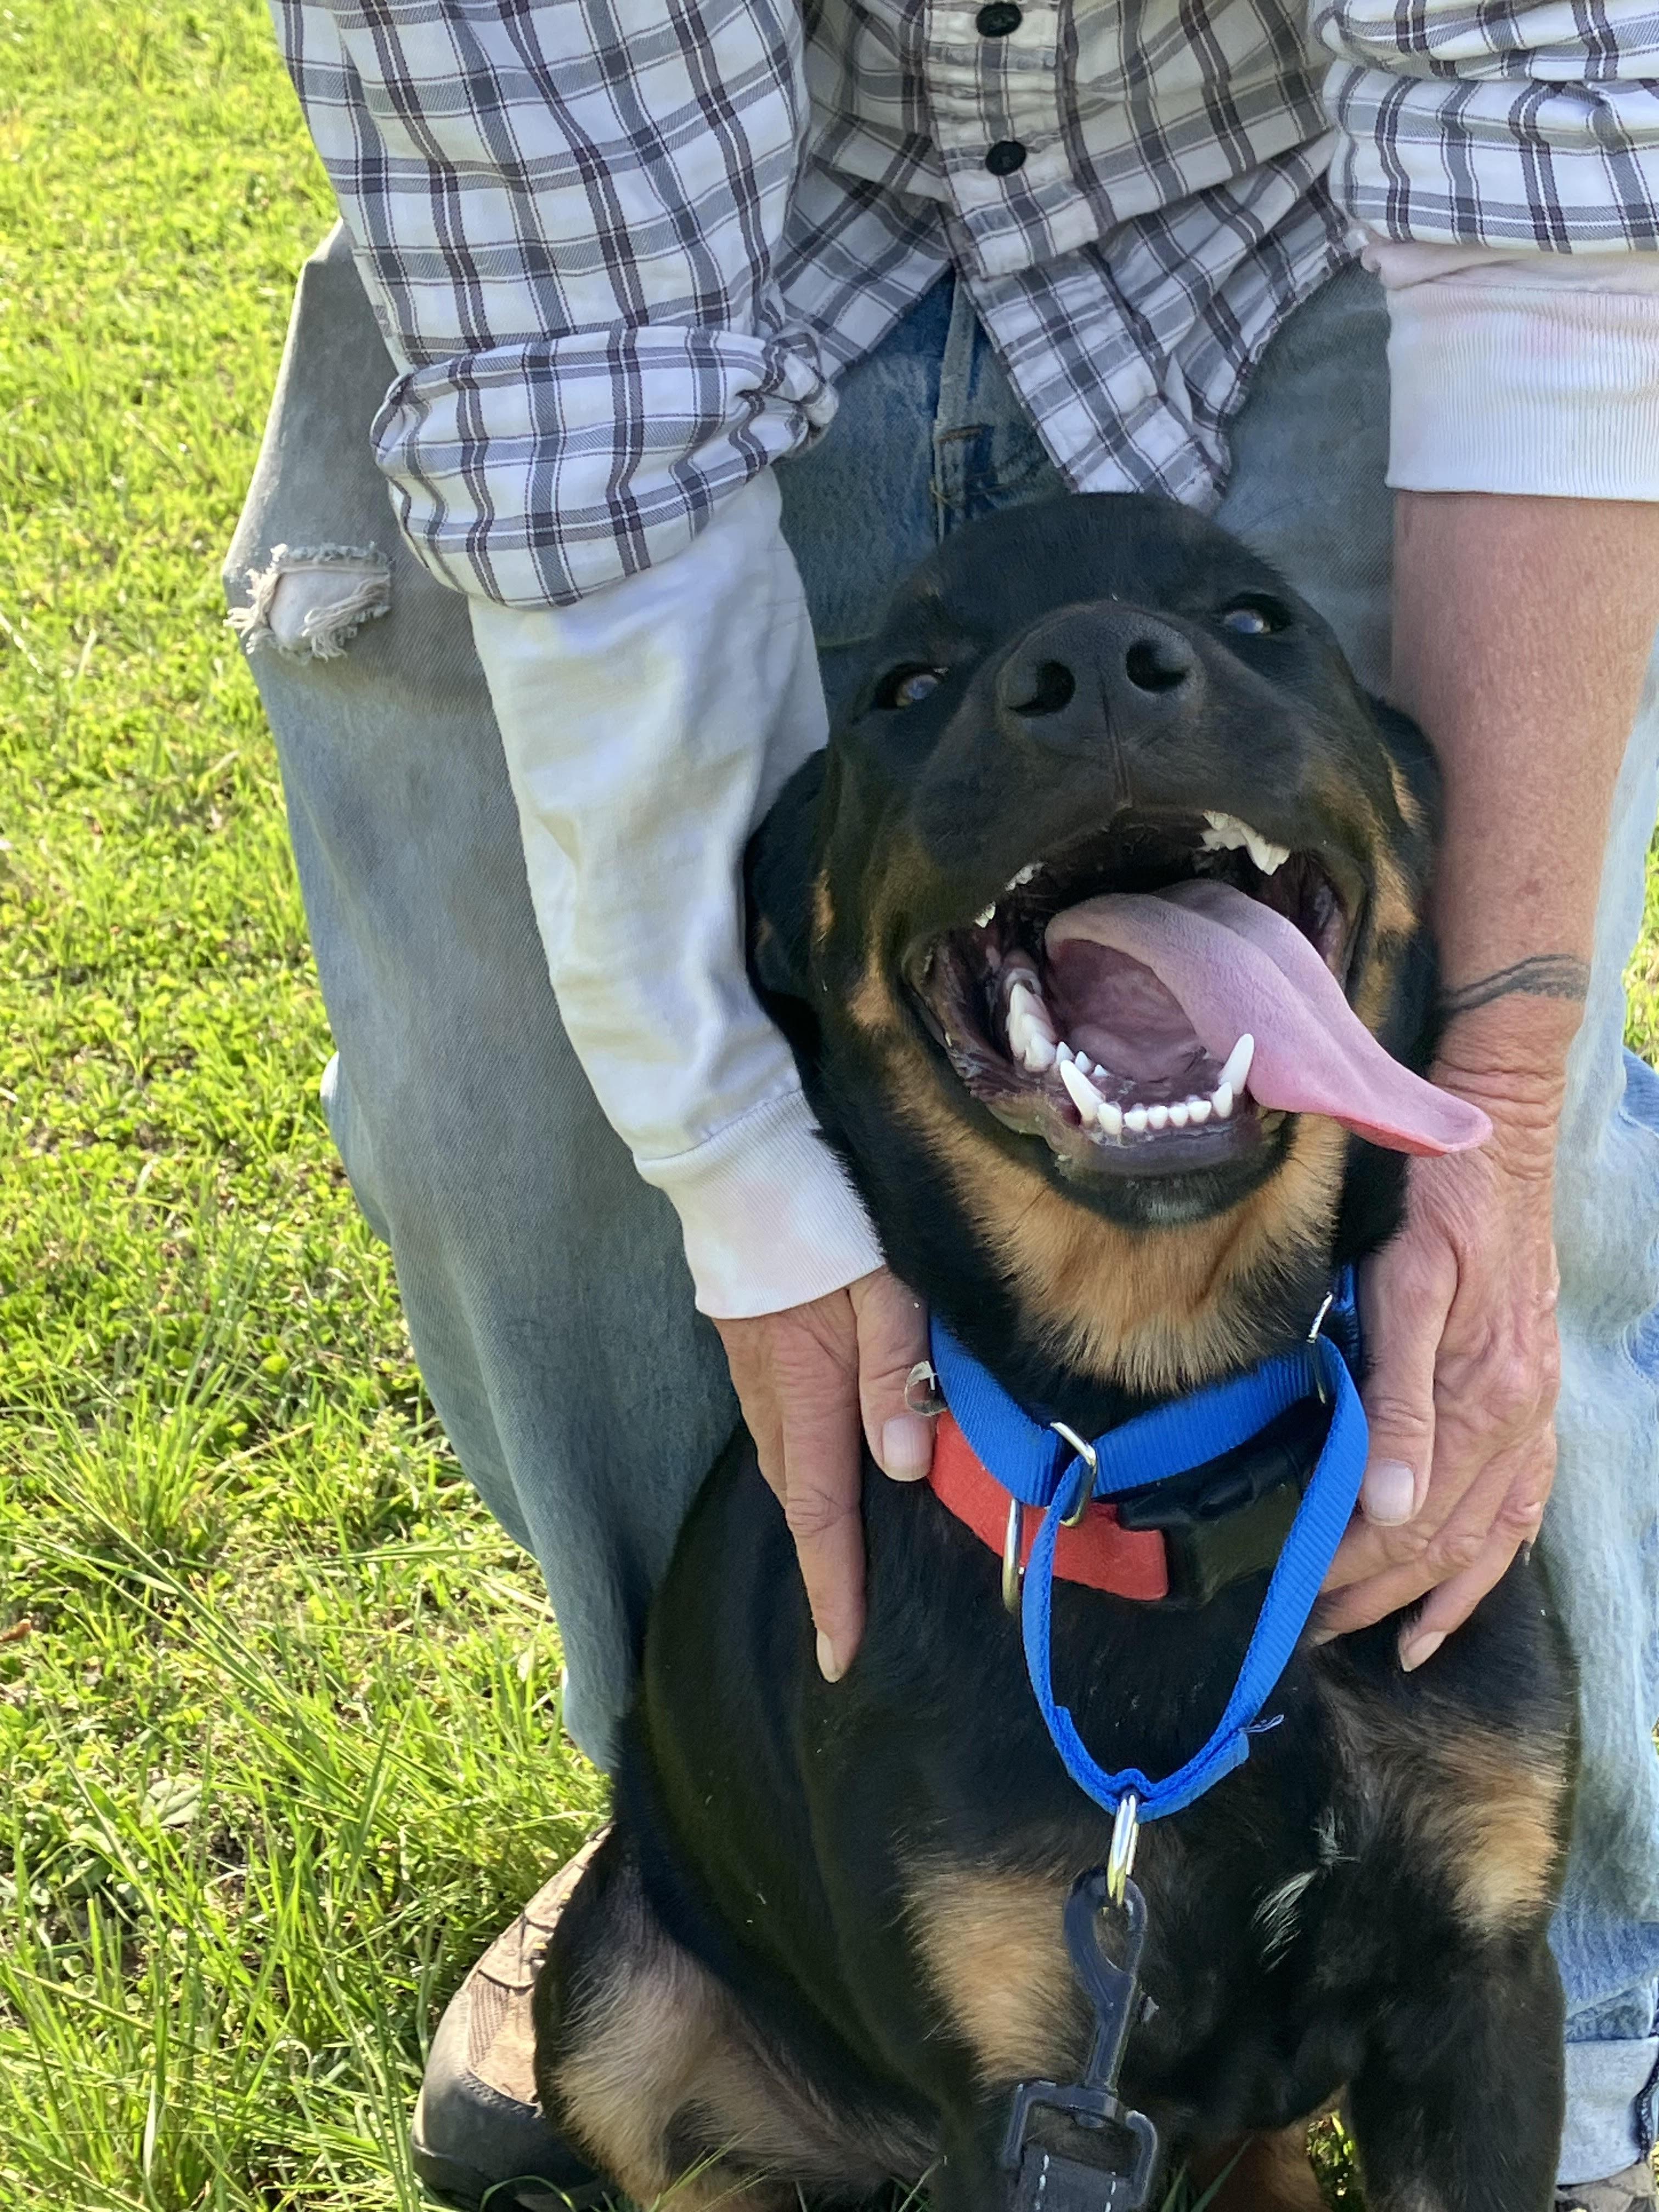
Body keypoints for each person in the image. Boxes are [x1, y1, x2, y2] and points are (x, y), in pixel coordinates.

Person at [228, 3, 1659, 2205]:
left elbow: (1553, 124)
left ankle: (1592, 1973)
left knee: (1503, 1203)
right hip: (647, 255)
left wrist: (1516, 1063)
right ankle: (749, 1848)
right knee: (517, 1137)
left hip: (1320, 183)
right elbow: (575, 377)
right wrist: (724, 1160)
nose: (1106, 692)